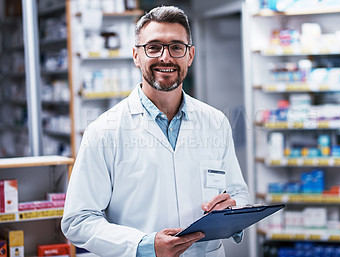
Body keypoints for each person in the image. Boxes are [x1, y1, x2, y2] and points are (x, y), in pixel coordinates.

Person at [61, 6, 250, 257]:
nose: (165, 57)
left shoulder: (216, 122)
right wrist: (144, 245)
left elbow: (238, 193)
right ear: (136, 56)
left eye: (176, 47)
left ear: (190, 55)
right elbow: (78, 221)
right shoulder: (104, 131)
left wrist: (234, 207)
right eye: (153, 47)